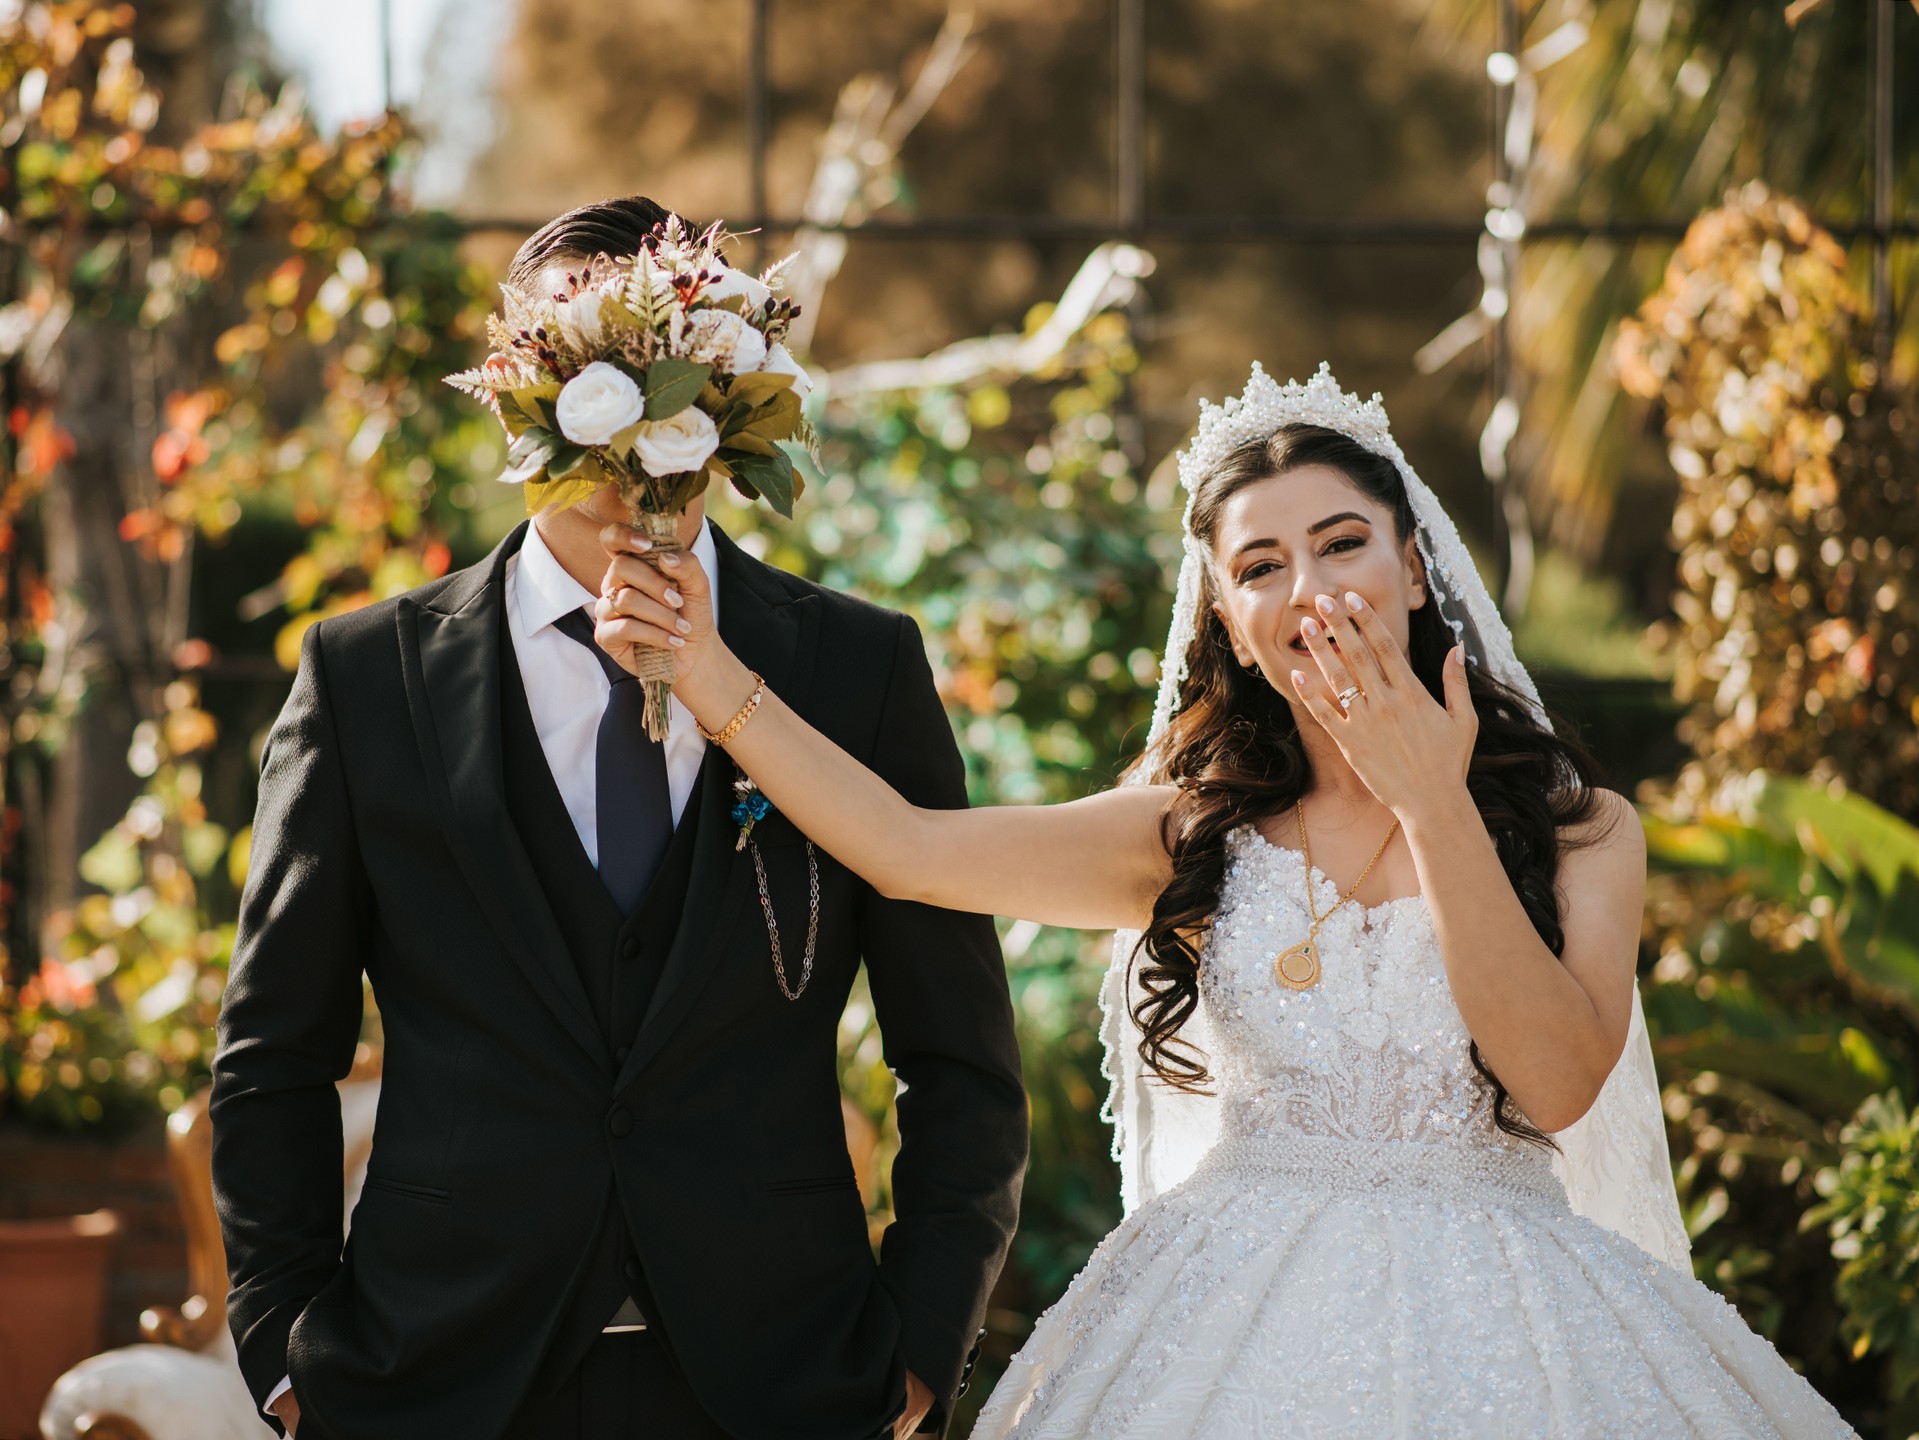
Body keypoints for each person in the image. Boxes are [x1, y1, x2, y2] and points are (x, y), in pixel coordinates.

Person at [593, 364, 1858, 1438]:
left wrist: (1432, 798)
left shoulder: (1583, 830)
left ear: (1415, 570)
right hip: (1216, 1320)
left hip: (1514, 1325)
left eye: (1342, 542)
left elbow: (1558, 1080)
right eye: (1259, 564)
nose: (1309, 588)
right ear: (1230, 622)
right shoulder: (1188, 830)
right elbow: (907, 850)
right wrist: (706, 671)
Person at [210, 194, 1028, 1440]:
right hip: (434, 1378)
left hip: (782, 1379)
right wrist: (283, 1351)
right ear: (513, 399)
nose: (632, 451)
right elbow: (273, 1054)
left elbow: (958, 1056)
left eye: (671, 391)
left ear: (730, 405)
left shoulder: (855, 670)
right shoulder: (369, 678)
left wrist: (917, 1348)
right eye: (586, 386)